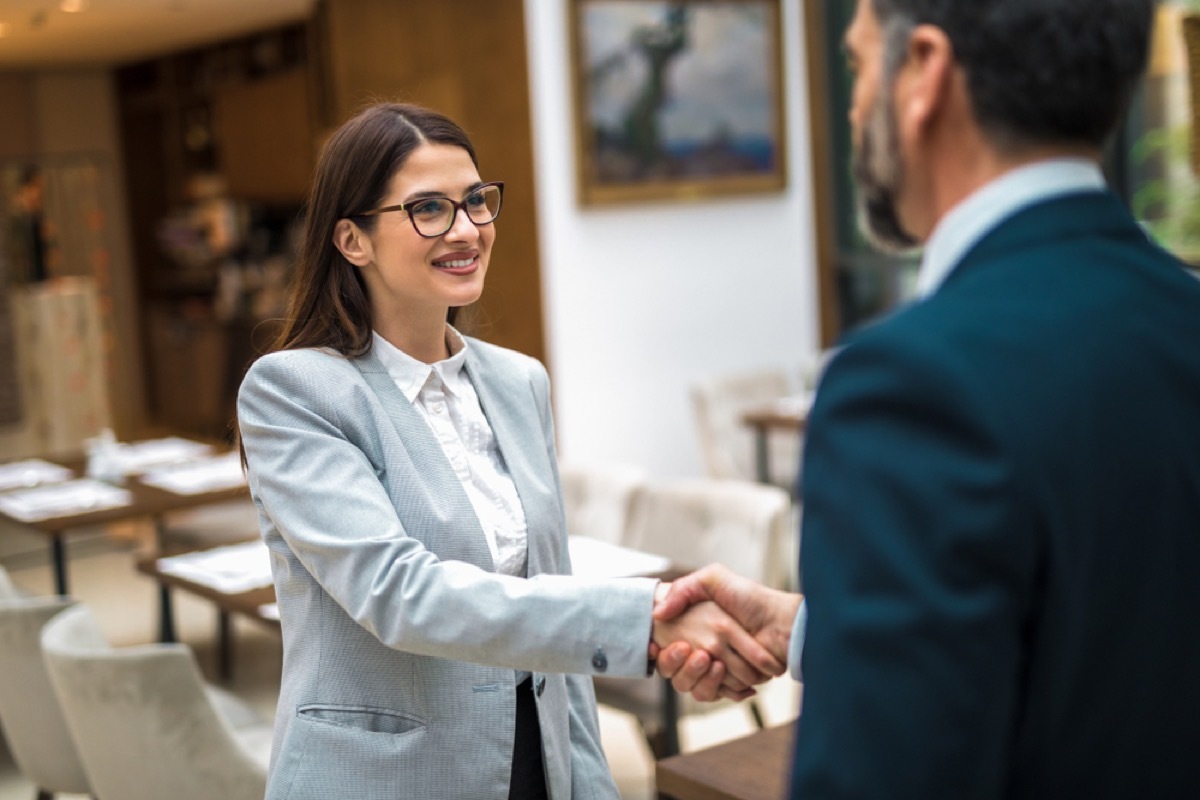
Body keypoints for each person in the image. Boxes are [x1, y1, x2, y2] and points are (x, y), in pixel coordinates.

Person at [656, 0, 1200, 796]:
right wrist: (815, 628)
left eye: (856, 64)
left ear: (924, 72)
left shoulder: (908, 387)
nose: (852, 107)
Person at [236, 102, 781, 800]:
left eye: (475, 203)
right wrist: (642, 618)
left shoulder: (518, 381)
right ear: (352, 240)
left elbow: (546, 597)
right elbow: (402, 593)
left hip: (533, 760)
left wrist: (590, 782)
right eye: (428, 209)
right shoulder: (295, 392)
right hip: (387, 777)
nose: (466, 230)